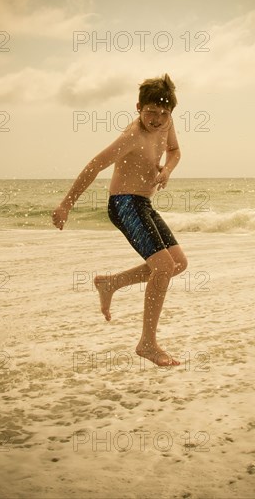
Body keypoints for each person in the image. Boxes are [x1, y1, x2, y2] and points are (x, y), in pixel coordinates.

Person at [52, 73, 187, 367]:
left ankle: (110, 283)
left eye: (164, 114)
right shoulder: (132, 136)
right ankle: (147, 343)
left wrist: (167, 171)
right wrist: (66, 205)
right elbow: (95, 165)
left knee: (178, 263)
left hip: (144, 203)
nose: (157, 119)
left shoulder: (167, 124)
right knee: (163, 266)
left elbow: (175, 151)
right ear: (138, 107)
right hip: (124, 203)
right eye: (151, 112)